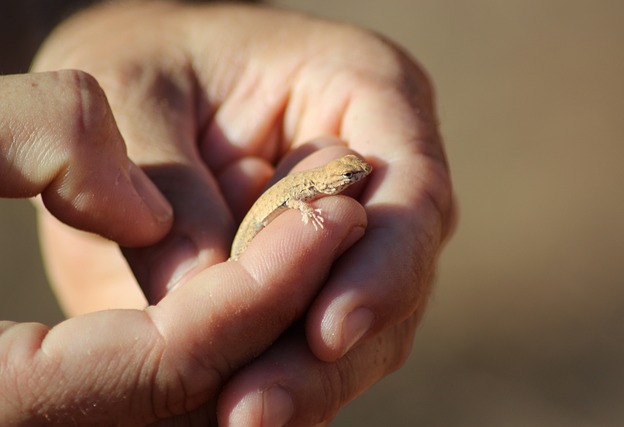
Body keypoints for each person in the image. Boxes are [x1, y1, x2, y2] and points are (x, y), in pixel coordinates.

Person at [0, 1, 455, 425]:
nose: (354, 179)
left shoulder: (320, 185)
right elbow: (293, 200)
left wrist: (96, 19)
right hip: (249, 235)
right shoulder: (309, 189)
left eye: (352, 177)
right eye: (348, 176)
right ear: (330, 181)